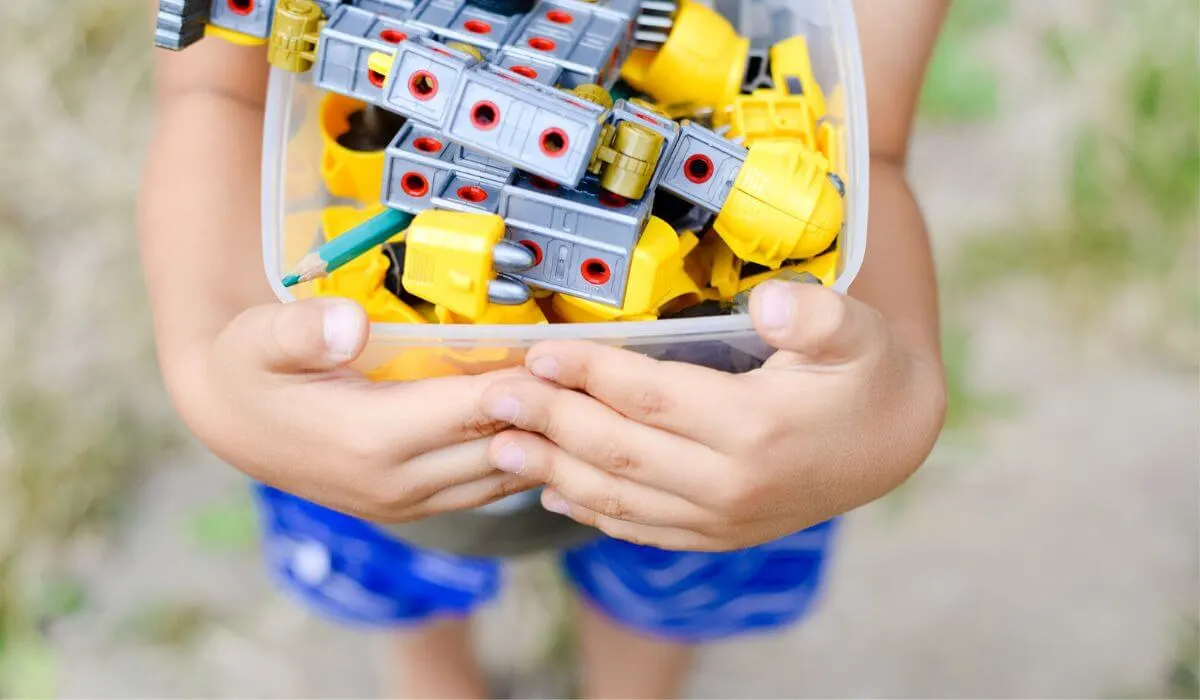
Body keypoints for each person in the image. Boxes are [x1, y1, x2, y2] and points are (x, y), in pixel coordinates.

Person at [137, 0, 950, 696]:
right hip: (374, 381)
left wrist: (895, 409)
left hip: (718, 412)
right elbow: (215, 85)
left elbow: (861, 152)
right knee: (392, 553)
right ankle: (434, 669)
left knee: (675, 569)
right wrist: (208, 369)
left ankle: (634, 680)